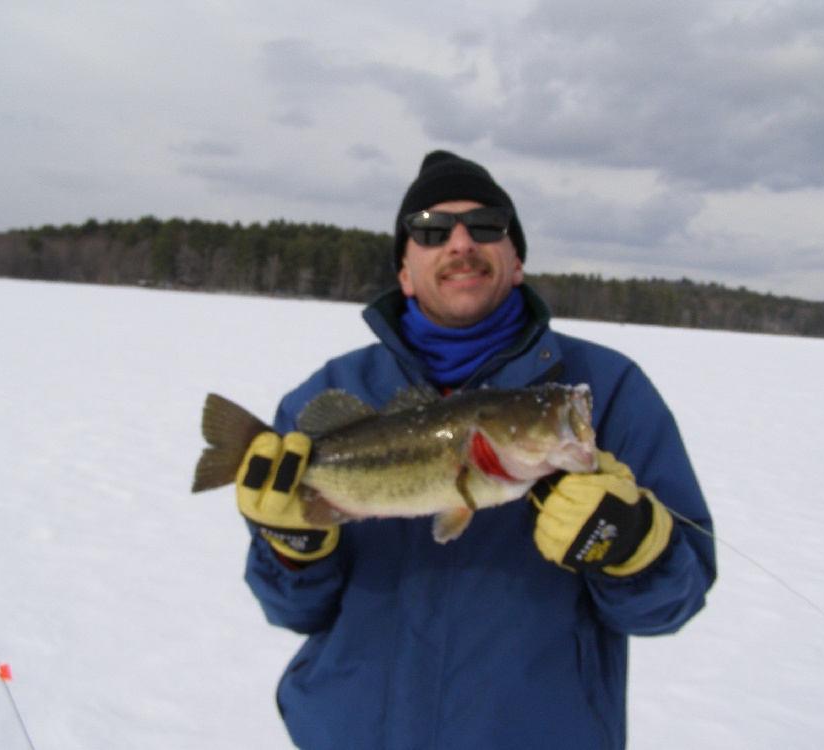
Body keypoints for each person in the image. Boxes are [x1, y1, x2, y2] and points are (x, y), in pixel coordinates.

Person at [235, 150, 716, 749]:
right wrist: (294, 549)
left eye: (487, 225)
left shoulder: (608, 391)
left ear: (515, 262)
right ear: (405, 272)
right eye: (431, 230)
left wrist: (637, 547)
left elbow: (674, 602)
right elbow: (291, 611)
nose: (461, 242)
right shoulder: (332, 393)